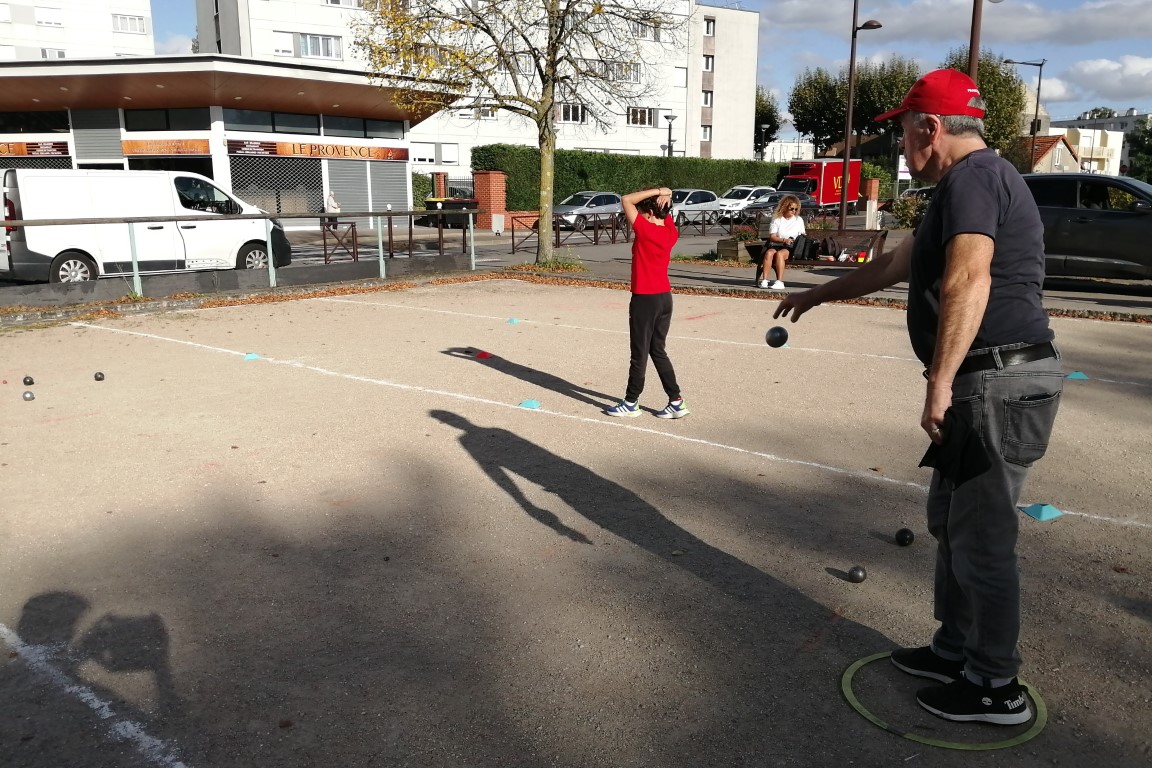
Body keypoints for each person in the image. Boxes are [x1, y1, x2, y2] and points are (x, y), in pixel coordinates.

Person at [774, 69, 1063, 726]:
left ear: (929, 127)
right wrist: (813, 295)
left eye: (903, 131)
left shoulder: (973, 180)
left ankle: (995, 685)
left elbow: (969, 277)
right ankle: (955, 648)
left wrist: (940, 381)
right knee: (950, 521)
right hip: (985, 382)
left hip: (997, 382)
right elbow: (888, 267)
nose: (900, 146)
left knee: (983, 535)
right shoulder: (966, 187)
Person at [604, 186, 688, 419]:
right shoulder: (671, 231)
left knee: (639, 353)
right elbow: (664, 208)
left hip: (645, 299)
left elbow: (626, 199)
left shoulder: (646, 230)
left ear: (649, 213)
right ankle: (676, 401)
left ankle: (631, 402)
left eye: (641, 213)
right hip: (664, 298)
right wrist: (666, 194)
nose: (637, 217)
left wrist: (661, 190)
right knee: (657, 350)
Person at [756, 195, 806, 290]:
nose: (794, 211)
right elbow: (772, 236)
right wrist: (784, 240)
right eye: (792, 209)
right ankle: (765, 280)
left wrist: (791, 241)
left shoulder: (798, 220)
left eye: (796, 209)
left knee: (780, 254)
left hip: (791, 246)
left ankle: (779, 282)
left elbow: (802, 236)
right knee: (769, 253)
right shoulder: (777, 219)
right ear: (785, 207)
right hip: (778, 243)